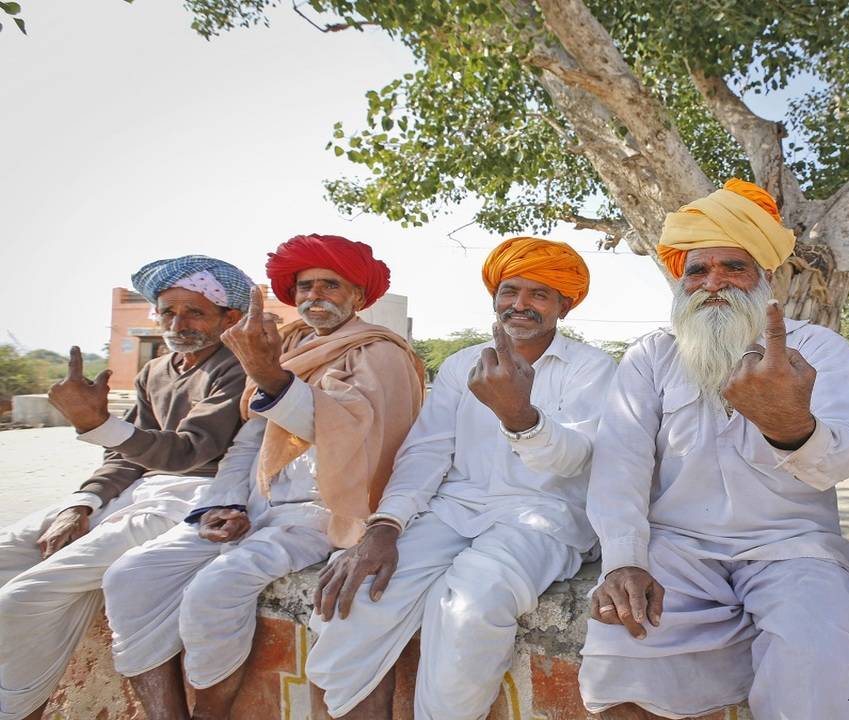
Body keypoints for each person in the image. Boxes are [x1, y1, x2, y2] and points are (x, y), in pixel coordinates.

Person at [579, 180, 849, 719]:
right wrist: (622, 560)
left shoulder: (818, 348)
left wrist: (789, 424)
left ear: (767, 278)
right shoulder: (651, 356)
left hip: (793, 547)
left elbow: (848, 456)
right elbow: (621, 465)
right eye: (697, 270)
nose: (714, 283)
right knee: (622, 651)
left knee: (815, 655)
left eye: (734, 267)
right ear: (680, 282)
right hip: (676, 548)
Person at [102, 234, 425, 720]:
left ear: (359, 296)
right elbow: (252, 437)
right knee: (131, 575)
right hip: (256, 504)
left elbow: (345, 431)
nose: (315, 295)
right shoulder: (286, 342)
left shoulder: (379, 353)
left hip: (327, 514)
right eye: (305, 286)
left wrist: (272, 377)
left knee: (216, 590)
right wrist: (226, 503)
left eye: (331, 285)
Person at [306, 237, 615, 719]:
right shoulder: (460, 365)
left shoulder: (592, 368)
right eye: (511, 290)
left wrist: (521, 417)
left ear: (565, 306)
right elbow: (427, 452)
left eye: (539, 295)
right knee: (354, 601)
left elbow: (576, 459)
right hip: (454, 510)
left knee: (469, 616)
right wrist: (384, 527)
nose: (520, 304)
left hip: (545, 519)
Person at [0, 255, 251, 720]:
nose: (178, 322)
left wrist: (98, 423)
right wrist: (83, 502)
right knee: (7, 553)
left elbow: (188, 451)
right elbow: (123, 457)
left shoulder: (237, 368)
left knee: (21, 598)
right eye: (168, 311)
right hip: (134, 493)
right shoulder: (155, 370)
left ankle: (19, 710)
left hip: (192, 498)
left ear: (229, 318)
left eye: (195, 312)